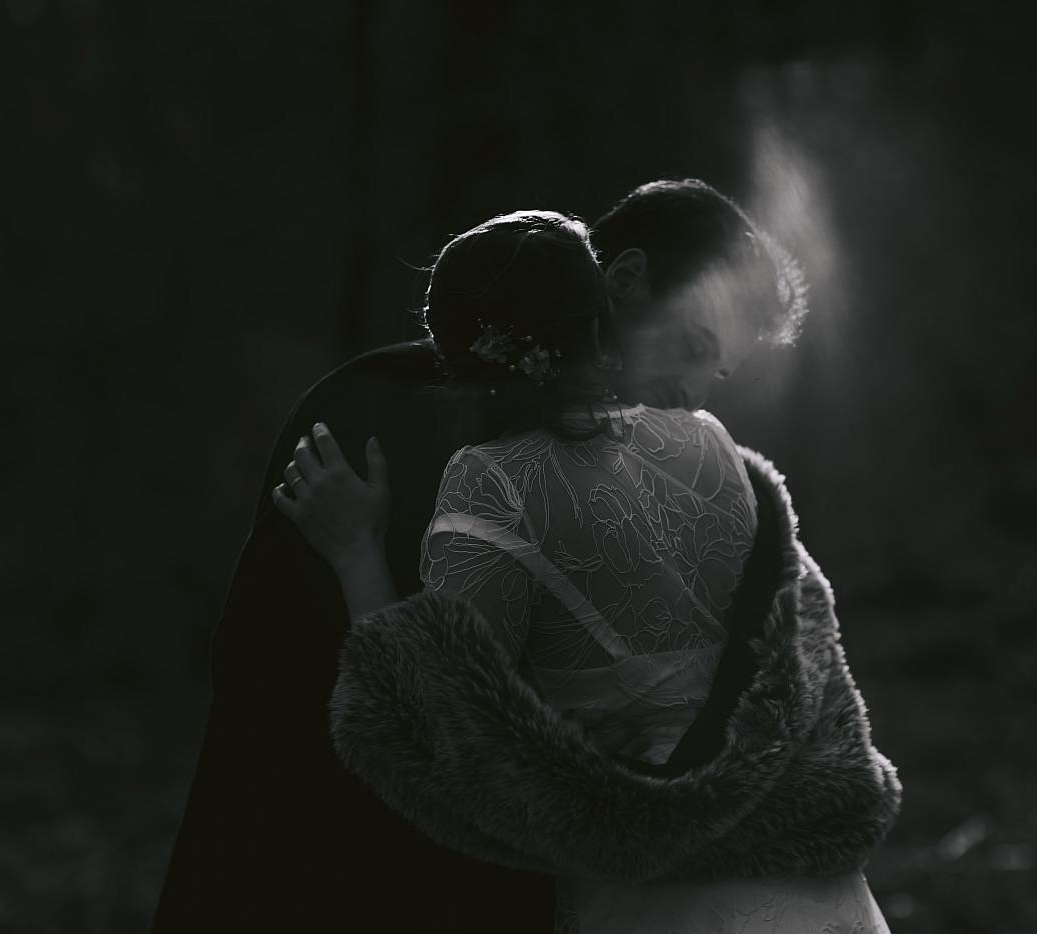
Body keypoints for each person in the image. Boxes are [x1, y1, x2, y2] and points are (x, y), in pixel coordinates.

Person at [151, 180, 817, 933]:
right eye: (694, 347)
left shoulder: (662, 466)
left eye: (718, 373)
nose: (694, 394)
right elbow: (293, 668)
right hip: (351, 846)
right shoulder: (396, 418)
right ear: (625, 279)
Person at [277, 209, 900, 932]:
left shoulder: (493, 481)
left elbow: (437, 733)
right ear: (603, 307)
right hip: (817, 892)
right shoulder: (713, 445)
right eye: (696, 350)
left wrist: (354, 550)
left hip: (664, 903)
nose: (698, 387)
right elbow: (779, 650)